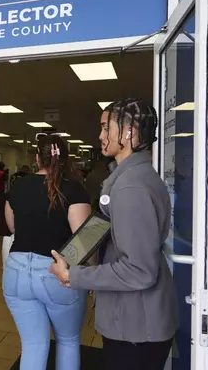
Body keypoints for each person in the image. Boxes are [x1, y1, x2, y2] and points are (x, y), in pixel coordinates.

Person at [50, 99, 177, 370]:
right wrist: (72, 255)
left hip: (136, 331)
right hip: (134, 324)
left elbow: (139, 270)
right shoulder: (126, 177)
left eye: (106, 127)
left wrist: (74, 276)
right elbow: (106, 224)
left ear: (129, 133)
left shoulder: (132, 188)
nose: (100, 135)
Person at [3, 134, 91, 369]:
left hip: (16, 271)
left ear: (36, 158)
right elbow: (82, 243)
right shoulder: (74, 189)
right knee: (68, 340)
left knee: (33, 344)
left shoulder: (19, 185)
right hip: (55, 272)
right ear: (65, 159)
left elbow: (13, 227)